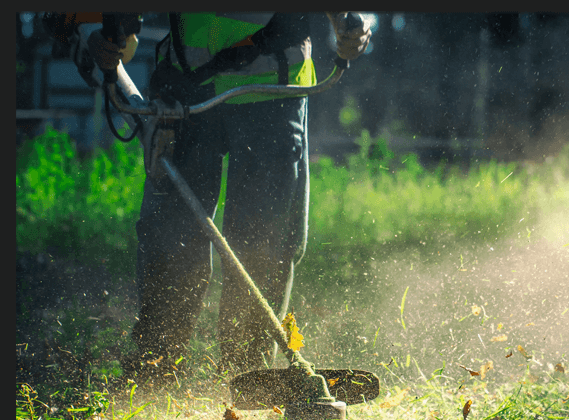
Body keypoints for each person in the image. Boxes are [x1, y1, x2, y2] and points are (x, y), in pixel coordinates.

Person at [86, 12, 372, 387]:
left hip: (273, 89)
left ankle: (250, 379)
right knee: (172, 240)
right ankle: (155, 371)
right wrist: (104, 35)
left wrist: (353, 21)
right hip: (186, 88)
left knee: (263, 244)